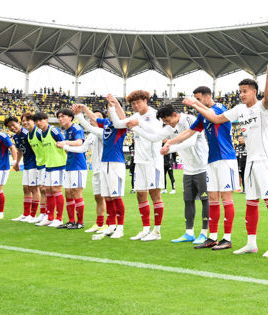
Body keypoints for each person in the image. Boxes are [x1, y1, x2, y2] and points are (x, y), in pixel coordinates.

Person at [184, 74, 268, 257]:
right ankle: (251, 244)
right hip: (250, 161)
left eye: (245, 91)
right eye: (240, 92)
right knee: (251, 203)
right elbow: (216, 119)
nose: (241, 94)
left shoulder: (262, 106)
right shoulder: (239, 109)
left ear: (254, 92)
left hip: (266, 159)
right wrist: (196, 105)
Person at [185, 86, 239, 251]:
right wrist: (170, 143)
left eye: (198, 99)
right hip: (211, 160)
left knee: (226, 198)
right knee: (213, 198)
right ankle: (213, 238)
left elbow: (215, 118)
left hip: (226, 159)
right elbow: (190, 131)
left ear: (207, 97)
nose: (197, 102)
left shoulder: (220, 108)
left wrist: (195, 104)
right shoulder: (203, 114)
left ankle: (227, 239)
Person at [107, 91, 166, 241]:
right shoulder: (136, 116)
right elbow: (118, 123)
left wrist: (138, 123)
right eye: (133, 104)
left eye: (138, 102)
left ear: (145, 100)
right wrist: (114, 106)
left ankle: (157, 232)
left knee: (155, 195)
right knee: (140, 195)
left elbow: (156, 132)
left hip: (153, 161)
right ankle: (146, 229)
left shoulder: (154, 114)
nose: (135, 105)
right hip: (139, 161)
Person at [156, 104, 210, 244]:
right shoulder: (170, 127)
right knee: (188, 200)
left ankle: (204, 233)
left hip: (202, 167)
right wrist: (136, 127)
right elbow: (154, 136)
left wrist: (169, 148)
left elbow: (190, 142)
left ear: (175, 115)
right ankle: (189, 233)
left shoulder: (190, 120)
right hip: (188, 170)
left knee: (205, 200)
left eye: (168, 120)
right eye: (165, 122)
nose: (168, 124)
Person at [73, 104, 128, 239]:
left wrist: (114, 105)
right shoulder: (106, 124)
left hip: (116, 163)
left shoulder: (121, 125)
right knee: (107, 197)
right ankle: (111, 226)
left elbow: (117, 118)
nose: (110, 109)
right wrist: (81, 112)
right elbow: (91, 123)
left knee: (116, 197)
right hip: (104, 164)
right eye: (109, 107)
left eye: (112, 108)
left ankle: (120, 228)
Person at [55, 109, 89, 229]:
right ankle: (71, 221)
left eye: (62, 116)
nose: (60, 119)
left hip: (78, 166)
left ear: (70, 117)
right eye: (59, 117)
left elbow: (80, 143)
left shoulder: (76, 128)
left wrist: (64, 143)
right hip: (69, 165)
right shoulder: (67, 131)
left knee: (76, 193)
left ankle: (80, 222)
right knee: (68, 193)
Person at [35, 113, 68, 228]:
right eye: (36, 121)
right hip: (48, 165)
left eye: (40, 120)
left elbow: (64, 145)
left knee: (56, 190)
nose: (38, 123)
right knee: (48, 191)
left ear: (46, 119)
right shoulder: (41, 133)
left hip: (59, 164)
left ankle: (59, 219)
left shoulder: (53, 130)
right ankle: (50, 218)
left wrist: (68, 161)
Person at [7, 115, 40, 223]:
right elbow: (20, 150)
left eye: (13, 125)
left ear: (18, 123)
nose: (12, 128)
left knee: (34, 188)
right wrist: (17, 162)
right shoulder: (15, 136)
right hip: (26, 164)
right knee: (26, 188)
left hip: (34, 164)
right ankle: (26, 214)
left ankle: (33, 215)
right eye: (9, 127)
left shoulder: (27, 133)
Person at [27, 113, 49, 225]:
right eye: (23, 121)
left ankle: (48, 215)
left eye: (28, 120)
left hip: (47, 164)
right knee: (42, 189)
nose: (25, 123)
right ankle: (43, 214)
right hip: (39, 165)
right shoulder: (29, 135)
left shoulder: (39, 132)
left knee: (46, 190)